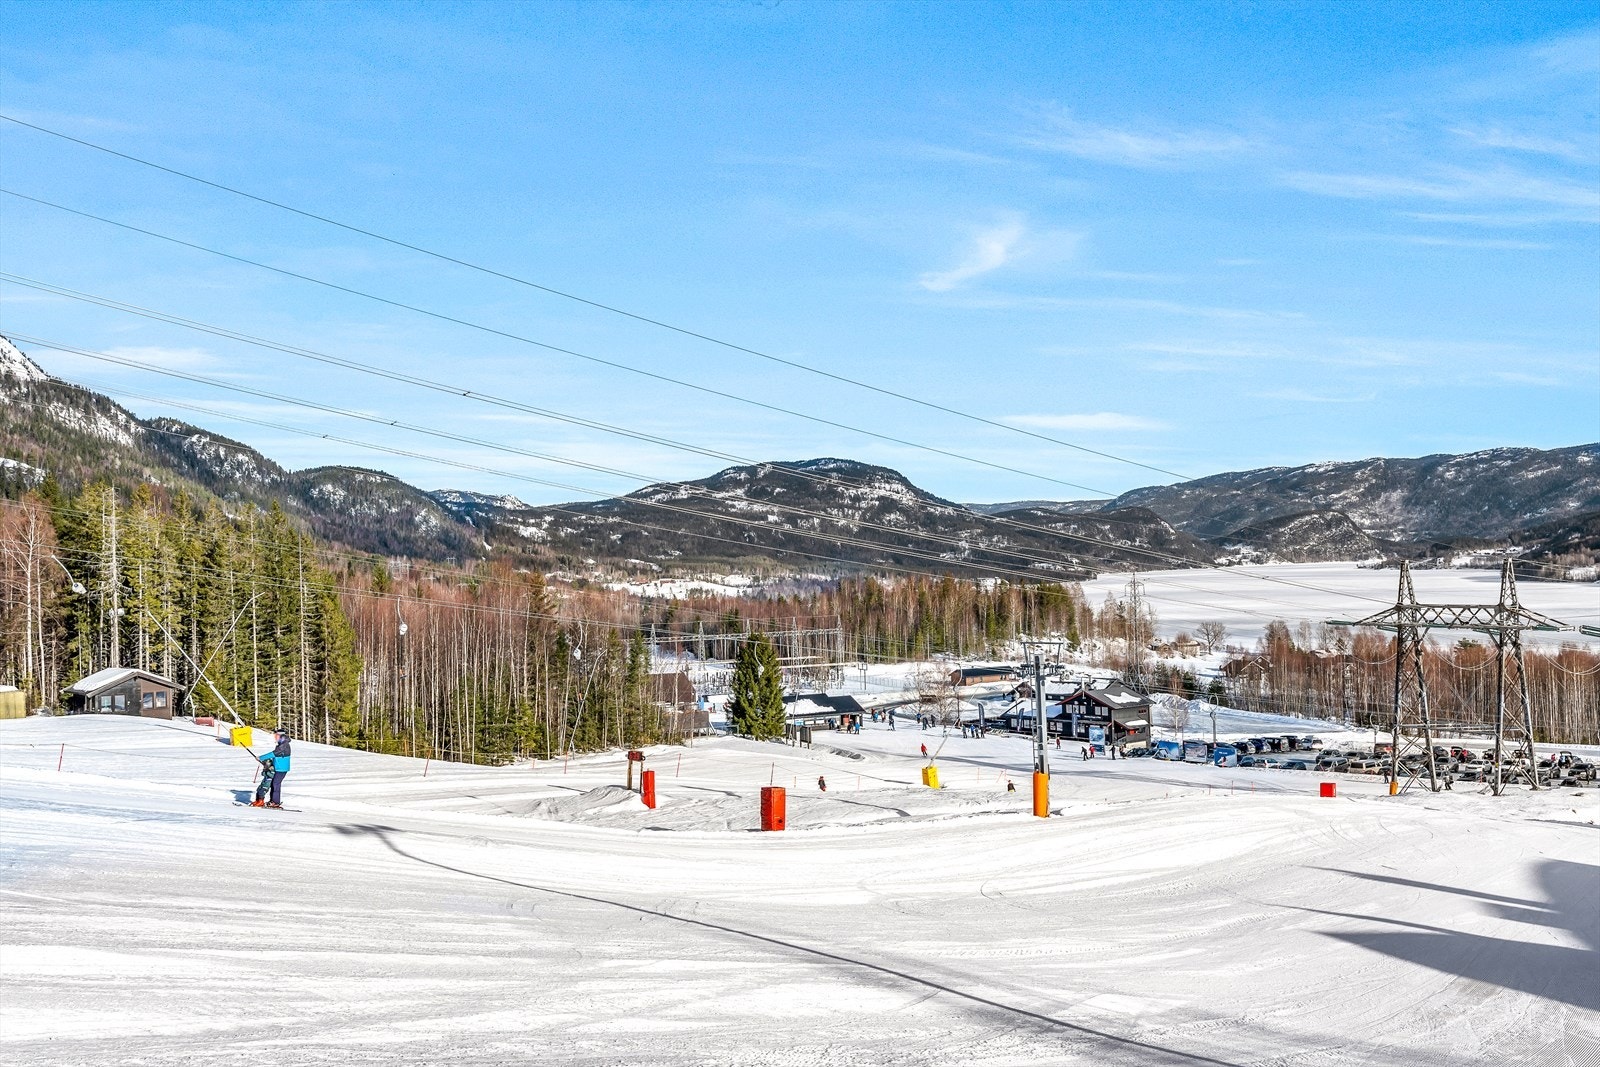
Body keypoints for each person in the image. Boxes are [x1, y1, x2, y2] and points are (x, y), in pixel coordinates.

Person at [265, 728, 291, 808]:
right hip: (279, 768)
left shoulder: (284, 745)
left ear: (280, 735)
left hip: (281, 769)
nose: (274, 737)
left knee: (276, 784)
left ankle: (275, 802)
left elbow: (275, 753)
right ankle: (273, 801)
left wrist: (261, 757)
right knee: (274, 784)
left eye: (275, 735)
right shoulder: (281, 744)